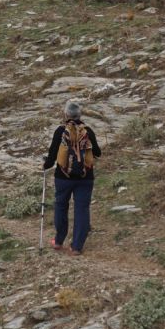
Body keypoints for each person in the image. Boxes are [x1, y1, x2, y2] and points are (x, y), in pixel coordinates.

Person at [42, 100, 101, 255]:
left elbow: (52, 156)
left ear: (66, 114)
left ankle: (59, 240)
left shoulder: (60, 131)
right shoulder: (88, 131)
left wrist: (46, 165)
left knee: (61, 206)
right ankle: (76, 247)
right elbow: (98, 153)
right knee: (82, 209)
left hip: (63, 177)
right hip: (85, 177)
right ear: (80, 114)